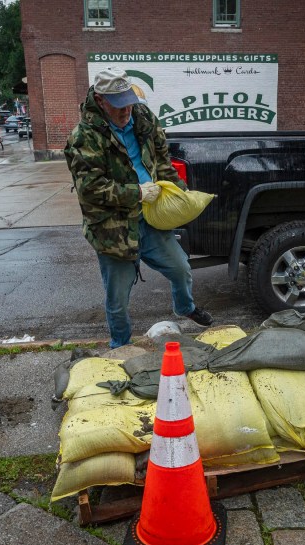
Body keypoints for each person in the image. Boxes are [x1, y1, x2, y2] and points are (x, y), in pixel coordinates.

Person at [65, 67, 213, 349]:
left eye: (129, 101)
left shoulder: (143, 119)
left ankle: (184, 308)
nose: (126, 110)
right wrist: (137, 193)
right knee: (118, 300)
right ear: (100, 100)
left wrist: (180, 193)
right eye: (118, 105)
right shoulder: (84, 137)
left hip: (150, 219)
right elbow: (90, 190)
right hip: (114, 229)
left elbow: (163, 161)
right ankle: (120, 346)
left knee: (181, 268)